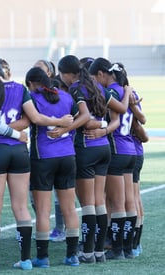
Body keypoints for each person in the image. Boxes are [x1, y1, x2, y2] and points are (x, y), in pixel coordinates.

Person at [0, 61, 74, 272]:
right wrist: (59, 120)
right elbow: (33, 119)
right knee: (21, 207)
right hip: (20, 151)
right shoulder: (20, 88)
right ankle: (26, 260)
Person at [57, 55, 120, 263]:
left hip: (86, 148)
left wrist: (65, 128)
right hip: (103, 148)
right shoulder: (96, 86)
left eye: (61, 74)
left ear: (68, 73)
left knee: (87, 204)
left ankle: (87, 252)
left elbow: (84, 118)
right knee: (99, 202)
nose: (60, 78)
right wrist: (103, 127)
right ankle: (99, 252)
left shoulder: (76, 87)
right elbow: (112, 114)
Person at [26, 67, 82, 268]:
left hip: (43, 157)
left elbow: (32, 119)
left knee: (42, 210)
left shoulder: (31, 97)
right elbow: (80, 118)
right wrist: (65, 128)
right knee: (69, 209)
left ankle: (42, 258)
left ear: (32, 84)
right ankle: (72, 256)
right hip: (68, 155)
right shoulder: (66, 97)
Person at [88, 58, 136, 260]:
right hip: (131, 150)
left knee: (116, 203)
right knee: (127, 201)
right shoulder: (128, 91)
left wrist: (103, 130)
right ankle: (128, 247)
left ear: (108, 75)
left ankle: (118, 249)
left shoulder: (112, 92)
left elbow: (113, 116)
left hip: (116, 149)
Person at [34, 59, 66, 243]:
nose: (37, 72)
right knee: (35, 193)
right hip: (41, 150)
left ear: (50, 74)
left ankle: (60, 230)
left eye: (41, 69)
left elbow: (76, 117)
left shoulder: (62, 93)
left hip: (55, 151)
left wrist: (63, 127)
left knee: (60, 196)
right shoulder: (32, 93)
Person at [129, 89, 148, 257]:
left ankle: (132, 243)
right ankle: (135, 242)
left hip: (128, 151)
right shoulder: (131, 93)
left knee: (130, 198)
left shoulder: (116, 94)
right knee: (135, 197)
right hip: (136, 151)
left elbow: (139, 123)